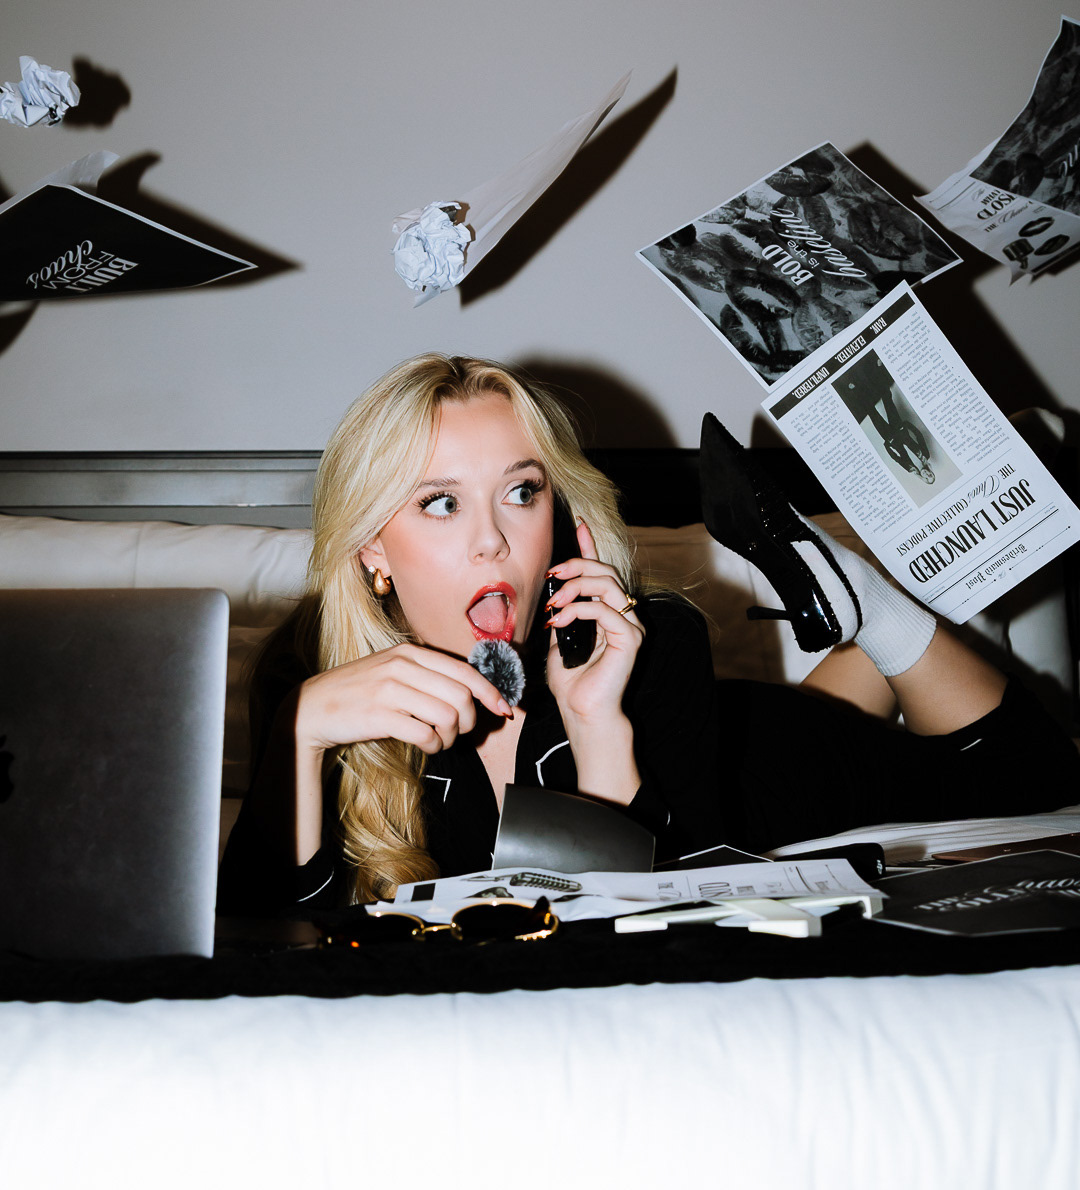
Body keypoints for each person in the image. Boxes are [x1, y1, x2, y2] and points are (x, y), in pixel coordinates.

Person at [218, 354, 1080, 912]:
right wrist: (299, 733)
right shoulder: (309, 675)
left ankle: (868, 602)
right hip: (722, 732)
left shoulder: (644, 639)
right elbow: (262, 931)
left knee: (1038, 773)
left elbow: (662, 918)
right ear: (372, 546)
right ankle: (855, 617)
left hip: (782, 768)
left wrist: (597, 726)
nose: (493, 541)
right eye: (440, 503)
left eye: (521, 492)